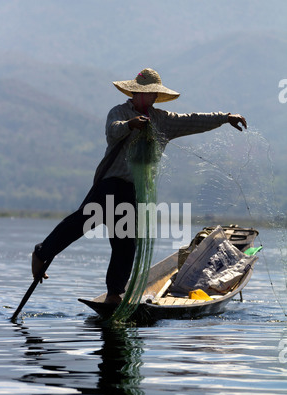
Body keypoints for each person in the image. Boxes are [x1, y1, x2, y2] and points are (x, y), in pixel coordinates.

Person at [32, 68, 247, 305]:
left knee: (126, 244)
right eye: (145, 93)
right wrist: (130, 125)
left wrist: (225, 118)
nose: (150, 97)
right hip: (110, 184)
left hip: (134, 192)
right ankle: (42, 252)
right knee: (82, 223)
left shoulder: (162, 120)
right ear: (134, 93)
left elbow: (193, 120)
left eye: (153, 94)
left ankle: (114, 294)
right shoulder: (119, 112)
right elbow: (113, 130)